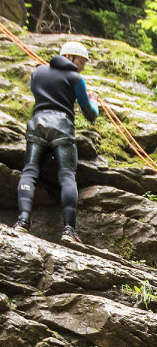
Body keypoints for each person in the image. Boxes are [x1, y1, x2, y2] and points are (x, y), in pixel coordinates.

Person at [14, 40, 99, 244]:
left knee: (30, 171)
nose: (82, 68)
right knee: (67, 176)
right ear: (69, 57)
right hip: (61, 126)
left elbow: (35, 91)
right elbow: (90, 114)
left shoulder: (38, 72)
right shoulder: (76, 78)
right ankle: (69, 230)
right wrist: (94, 101)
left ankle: (23, 221)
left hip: (37, 124)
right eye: (81, 62)